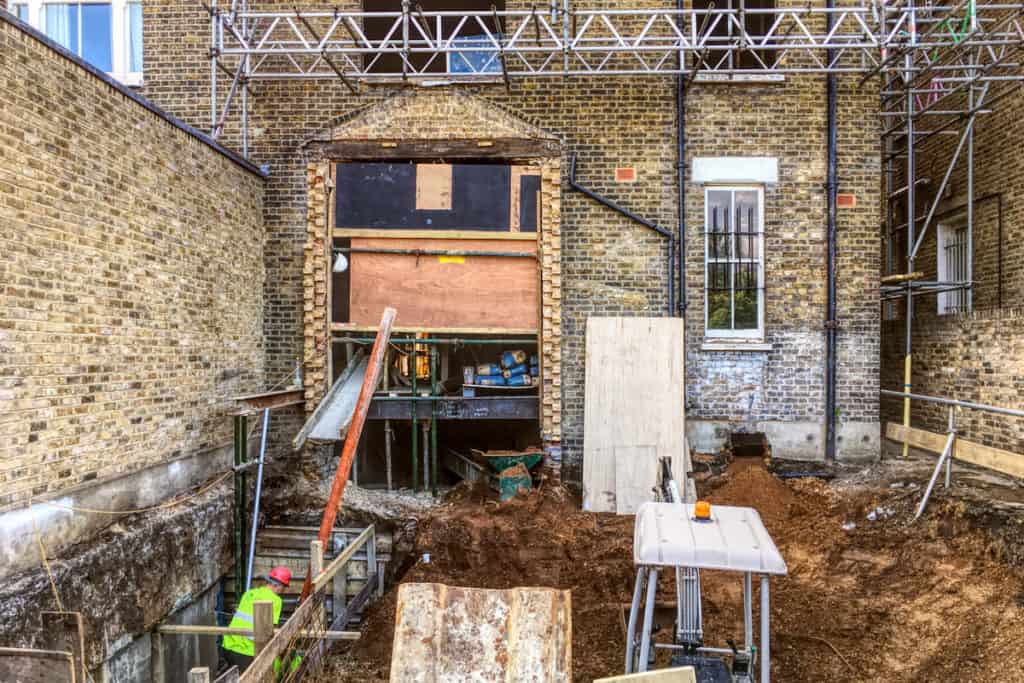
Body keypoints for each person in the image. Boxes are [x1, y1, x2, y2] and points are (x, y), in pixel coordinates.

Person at [221, 566, 291, 673]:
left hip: (228, 644)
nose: (283, 590)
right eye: (284, 587)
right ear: (279, 586)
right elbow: (271, 628)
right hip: (246, 650)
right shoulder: (276, 600)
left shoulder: (249, 593)